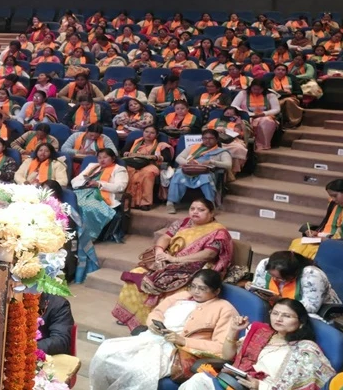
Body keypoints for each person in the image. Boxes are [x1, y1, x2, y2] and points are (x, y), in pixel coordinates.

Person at [91, 269, 239, 389]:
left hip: (177, 351)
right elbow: (156, 312)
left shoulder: (224, 309)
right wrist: (154, 324)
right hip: (152, 338)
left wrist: (184, 341)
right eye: (193, 286)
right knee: (105, 353)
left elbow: (221, 347)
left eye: (202, 288)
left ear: (216, 292)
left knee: (136, 371)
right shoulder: (183, 295)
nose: (195, 291)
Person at [112, 198, 234, 329]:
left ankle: (159, 324)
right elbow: (166, 237)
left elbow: (209, 254)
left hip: (194, 268)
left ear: (211, 213)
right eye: (192, 209)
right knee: (137, 273)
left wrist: (175, 260)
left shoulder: (218, 231)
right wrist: (159, 252)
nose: (195, 212)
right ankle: (135, 318)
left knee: (176, 290)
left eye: (201, 210)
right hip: (168, 260)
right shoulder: (183, 223)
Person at [178, 298, 336, 390]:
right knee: (197, 381)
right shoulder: (261, 332)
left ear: (301, 323)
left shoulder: (306, 349)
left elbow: (309, 385)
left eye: (286, 316)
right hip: (238, 383)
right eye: (275, 313)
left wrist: (259, 386)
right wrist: (233, 331)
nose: (278, 319)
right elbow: (227, 356)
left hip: (260, 387)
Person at [71, 148, 129, 280]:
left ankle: (86, 236)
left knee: (87, 207)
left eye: (105, 157)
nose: (102, 160)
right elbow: (75, 180)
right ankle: (73, 232)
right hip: (84, 191)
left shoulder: (119, 169)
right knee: (71, 203)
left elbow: (120, 186)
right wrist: (84, 182)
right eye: (99, 157)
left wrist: (99, 184)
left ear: (112, 159)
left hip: (102, 196)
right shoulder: (92, 166)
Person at [249, 251, 340, 315]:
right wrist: (251, 288)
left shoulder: (312, 275)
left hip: (321, 312)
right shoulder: (265, 264)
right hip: (279, 308)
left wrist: (280, 300)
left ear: (293, 274)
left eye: (280, 278)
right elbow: (259, 287)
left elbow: (311, 308)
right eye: (272, 275)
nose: (274, 279)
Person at [167, 128, 233, 212]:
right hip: (189, 170)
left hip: (206, 172)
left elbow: (228, 165)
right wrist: (188, 163)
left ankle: (210, 204)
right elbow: (179, 158)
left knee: (205, 178)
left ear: (217, 139)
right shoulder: (193, 148)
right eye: (205, 138)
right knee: (178, 174)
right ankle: (170, 203)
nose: (207, 140)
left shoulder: (221, 152)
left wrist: (212, 162)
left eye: (211, 138)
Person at [123, 125, 172, 211]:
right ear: (143, 132)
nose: (148, 134)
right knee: (129, 171)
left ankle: (145, 203)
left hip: (151, 165)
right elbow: (123, 152)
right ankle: (130, 202)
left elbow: (167, 157)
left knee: (148, 173)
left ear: (156, 135)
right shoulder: (134, 142)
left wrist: (156, 157)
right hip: (133, 163)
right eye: (146, 132)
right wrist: (126, 153)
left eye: (152, 133)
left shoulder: (161, 145)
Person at [232, 80, 282, 152]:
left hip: (264, 116)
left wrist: (264, 114)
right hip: (247, 116)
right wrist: (246, 113)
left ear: (264, 88)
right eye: (254, 89)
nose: (256, 91)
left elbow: (276, 109)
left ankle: (263, 145)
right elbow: (234, 106)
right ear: (251, 87)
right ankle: (246, 145)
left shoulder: (270, 95)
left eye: (259, 89)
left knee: (267, 121)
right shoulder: (243, 93)